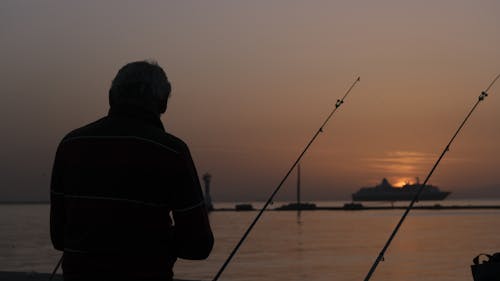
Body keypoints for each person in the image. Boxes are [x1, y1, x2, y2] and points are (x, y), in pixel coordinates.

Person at [50, 61, 214, 281]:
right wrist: (155, 239)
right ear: (163, 103)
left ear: (110, 97)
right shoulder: (171, 151)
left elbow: (59, 237)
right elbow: (198, 244)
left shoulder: (71, 145)